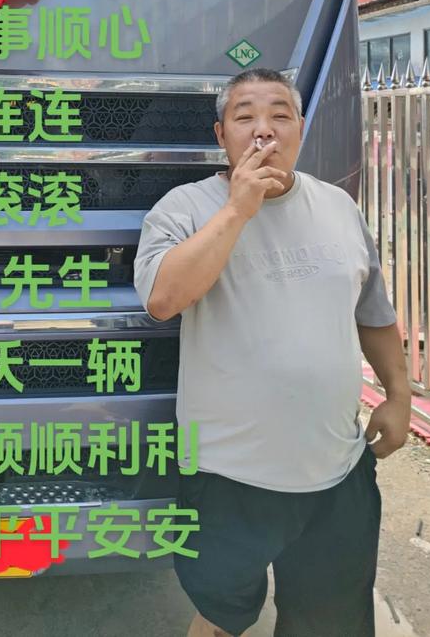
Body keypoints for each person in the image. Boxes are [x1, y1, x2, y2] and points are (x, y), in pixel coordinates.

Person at [133, 68, 411, 637]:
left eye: (280, 116)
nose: (264, 131)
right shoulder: (184, 207)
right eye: (245, 117)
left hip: (337, 471)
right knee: (220, 615)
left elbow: (373, 312)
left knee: (330, 622)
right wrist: (238, 209)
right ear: (221, 135)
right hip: (227, 476)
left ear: (300, 129)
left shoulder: (338, 206)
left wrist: (399, 395)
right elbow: (163, 299)